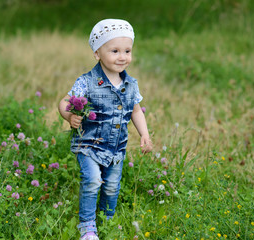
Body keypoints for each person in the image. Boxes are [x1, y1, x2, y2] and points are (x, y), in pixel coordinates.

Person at [58, 18, 152, 240]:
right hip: (88, 144)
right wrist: (69, 115)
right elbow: (64, 101)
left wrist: (145, 134)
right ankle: (87, 227)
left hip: (116, 148)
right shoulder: (86, 82)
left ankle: (107, 220)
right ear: (97, 53)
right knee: (92, 182)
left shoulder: (131, 84)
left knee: (111, 186)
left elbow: (136, 111)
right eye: (115, 51)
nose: (122, 57)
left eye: (127, 51)